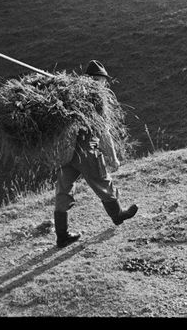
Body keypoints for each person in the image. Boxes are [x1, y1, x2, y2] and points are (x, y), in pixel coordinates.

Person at [53, 60, 138, 247]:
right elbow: (104, 131)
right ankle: (118, 215)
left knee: (63, 190)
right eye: (102, 80)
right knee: (102, 182)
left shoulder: (69, 97)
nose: (104, 84)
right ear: (94, 80)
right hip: (86, 151)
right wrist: (113, 156)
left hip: (65, 152)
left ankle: (62, 235)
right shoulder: (96, 100)